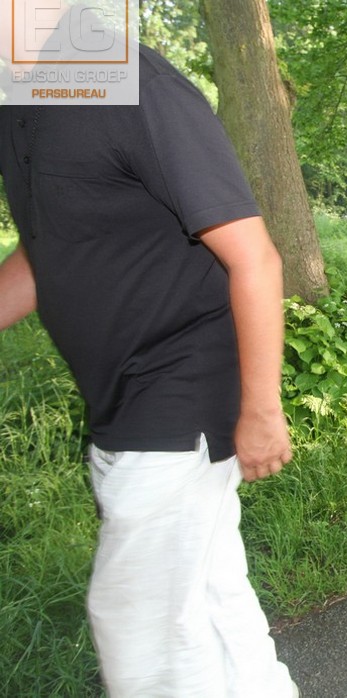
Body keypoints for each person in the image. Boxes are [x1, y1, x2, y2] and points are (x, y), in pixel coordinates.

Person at [0, 42, 298, 696]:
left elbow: (255, 256)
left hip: (179, 393)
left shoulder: (130, 82)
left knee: (143, 635)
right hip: (118, 402)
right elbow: (50, 246)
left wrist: (261, 409)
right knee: (212, 609)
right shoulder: (20, 100)